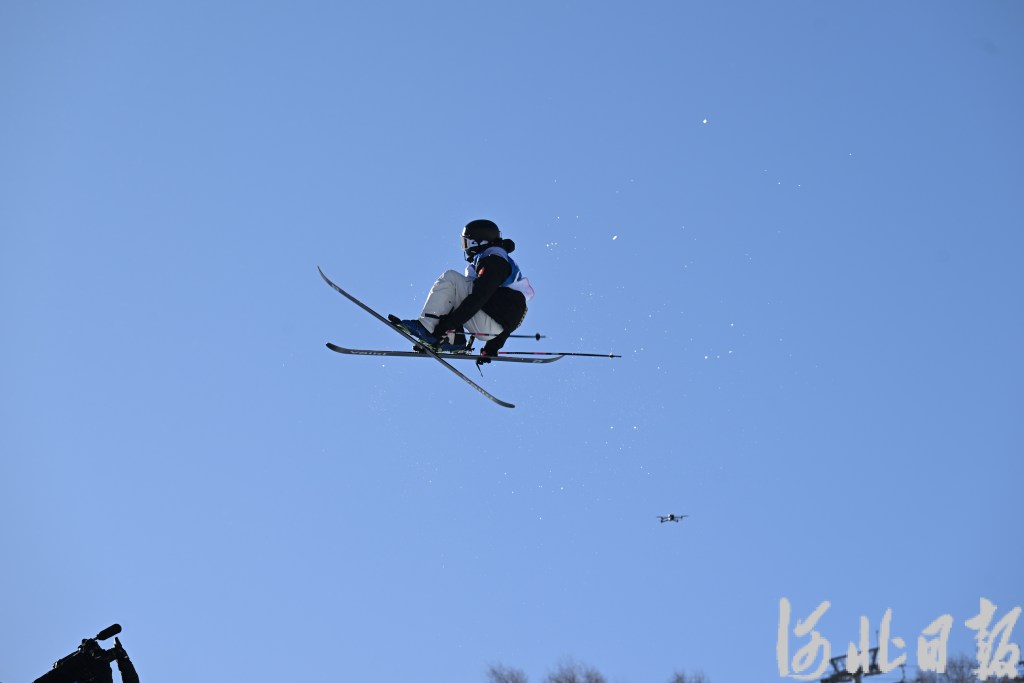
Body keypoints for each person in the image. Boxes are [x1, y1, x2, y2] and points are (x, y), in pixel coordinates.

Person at [396, 219, 534, 361]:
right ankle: (453, 340)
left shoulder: (494, 262)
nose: (465, 248)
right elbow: (510, 317)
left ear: (478, 242)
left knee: (451, 278)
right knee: (456, 293)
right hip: (492, 326)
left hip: (489, 321)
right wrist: (492, 348)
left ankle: (428, 328)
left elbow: (478, 299)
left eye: (466, 243)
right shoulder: (497, 262)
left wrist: (441, 330)